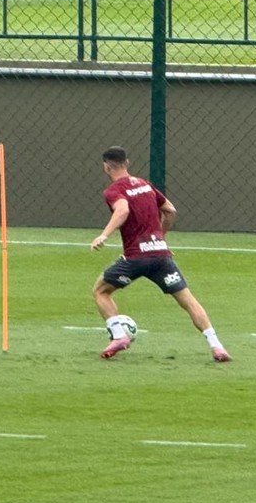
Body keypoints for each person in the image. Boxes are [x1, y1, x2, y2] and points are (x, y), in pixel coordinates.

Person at [90, 146, 231, 362]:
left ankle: (118, 335)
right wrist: (161, 237)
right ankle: (217, 346)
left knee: (101, 290)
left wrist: (104, 235)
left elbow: (123, 210)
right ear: (127, 163)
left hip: (135, 258)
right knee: (188, 300)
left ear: (105, 167)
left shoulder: (113, 191)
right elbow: (170, 210)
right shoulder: (146, 185)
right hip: (160, 256)